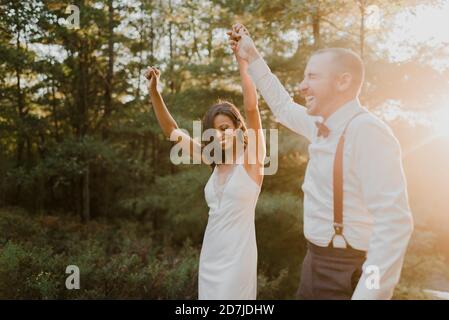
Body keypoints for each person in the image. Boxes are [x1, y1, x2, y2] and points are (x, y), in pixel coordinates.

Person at [227, 23, 413, 300]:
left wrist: (368, 294)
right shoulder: (319, 125)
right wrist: (251, 56)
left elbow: (394, 224)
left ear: (342, 81)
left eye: (312, 77)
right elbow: (282, 106)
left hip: (349, 271)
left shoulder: (367, 132)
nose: (302, 86)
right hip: (314, 263)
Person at [145, 42, 265, 299]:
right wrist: (154, 92)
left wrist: (242, 61)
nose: (220, 134)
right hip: (211, 256)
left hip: (238, 259)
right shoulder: (212, 160)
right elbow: (171, 131)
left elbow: (252, 108)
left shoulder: (252, 160)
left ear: (237, 128)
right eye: (215, 129)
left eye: (225, 127)